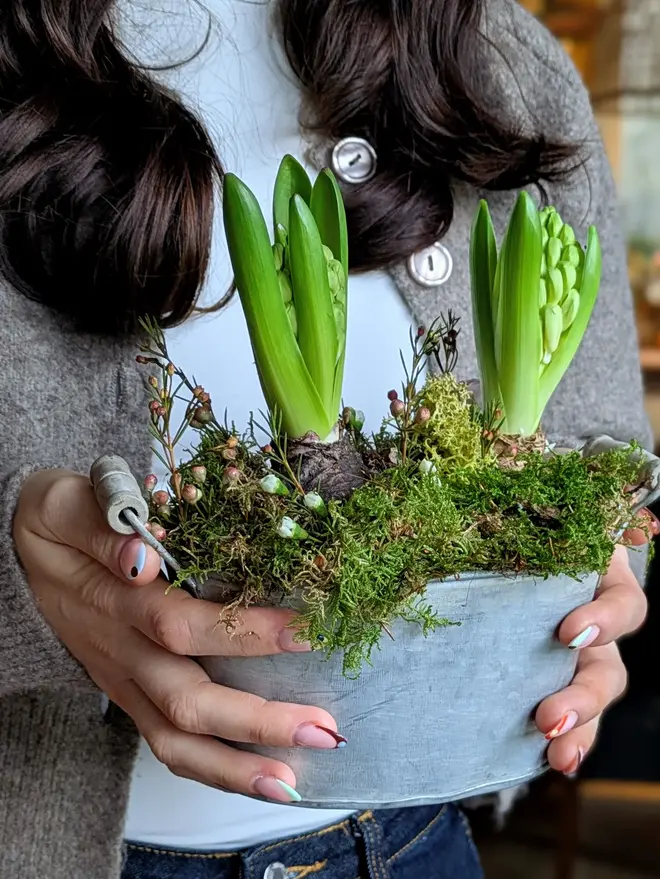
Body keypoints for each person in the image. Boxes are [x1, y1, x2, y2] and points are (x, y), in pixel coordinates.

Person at [0, 1, 653, 877]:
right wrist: (25, 568)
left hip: (412, 841)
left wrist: (583, 590)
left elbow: (604, 466)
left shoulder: (500, 57)